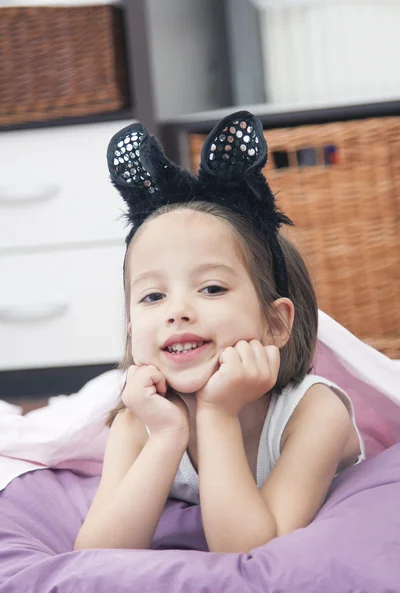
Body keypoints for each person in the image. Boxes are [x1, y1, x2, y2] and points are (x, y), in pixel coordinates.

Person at [74, 111, 365, 554]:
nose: (178, 312)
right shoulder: (140, 419)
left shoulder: (315, 412)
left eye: (211, 288)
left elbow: (249, 553)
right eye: (153, 297)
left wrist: (216, 415)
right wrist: (169, 435)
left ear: (276, 322)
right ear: (133, 333)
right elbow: (94, 556)